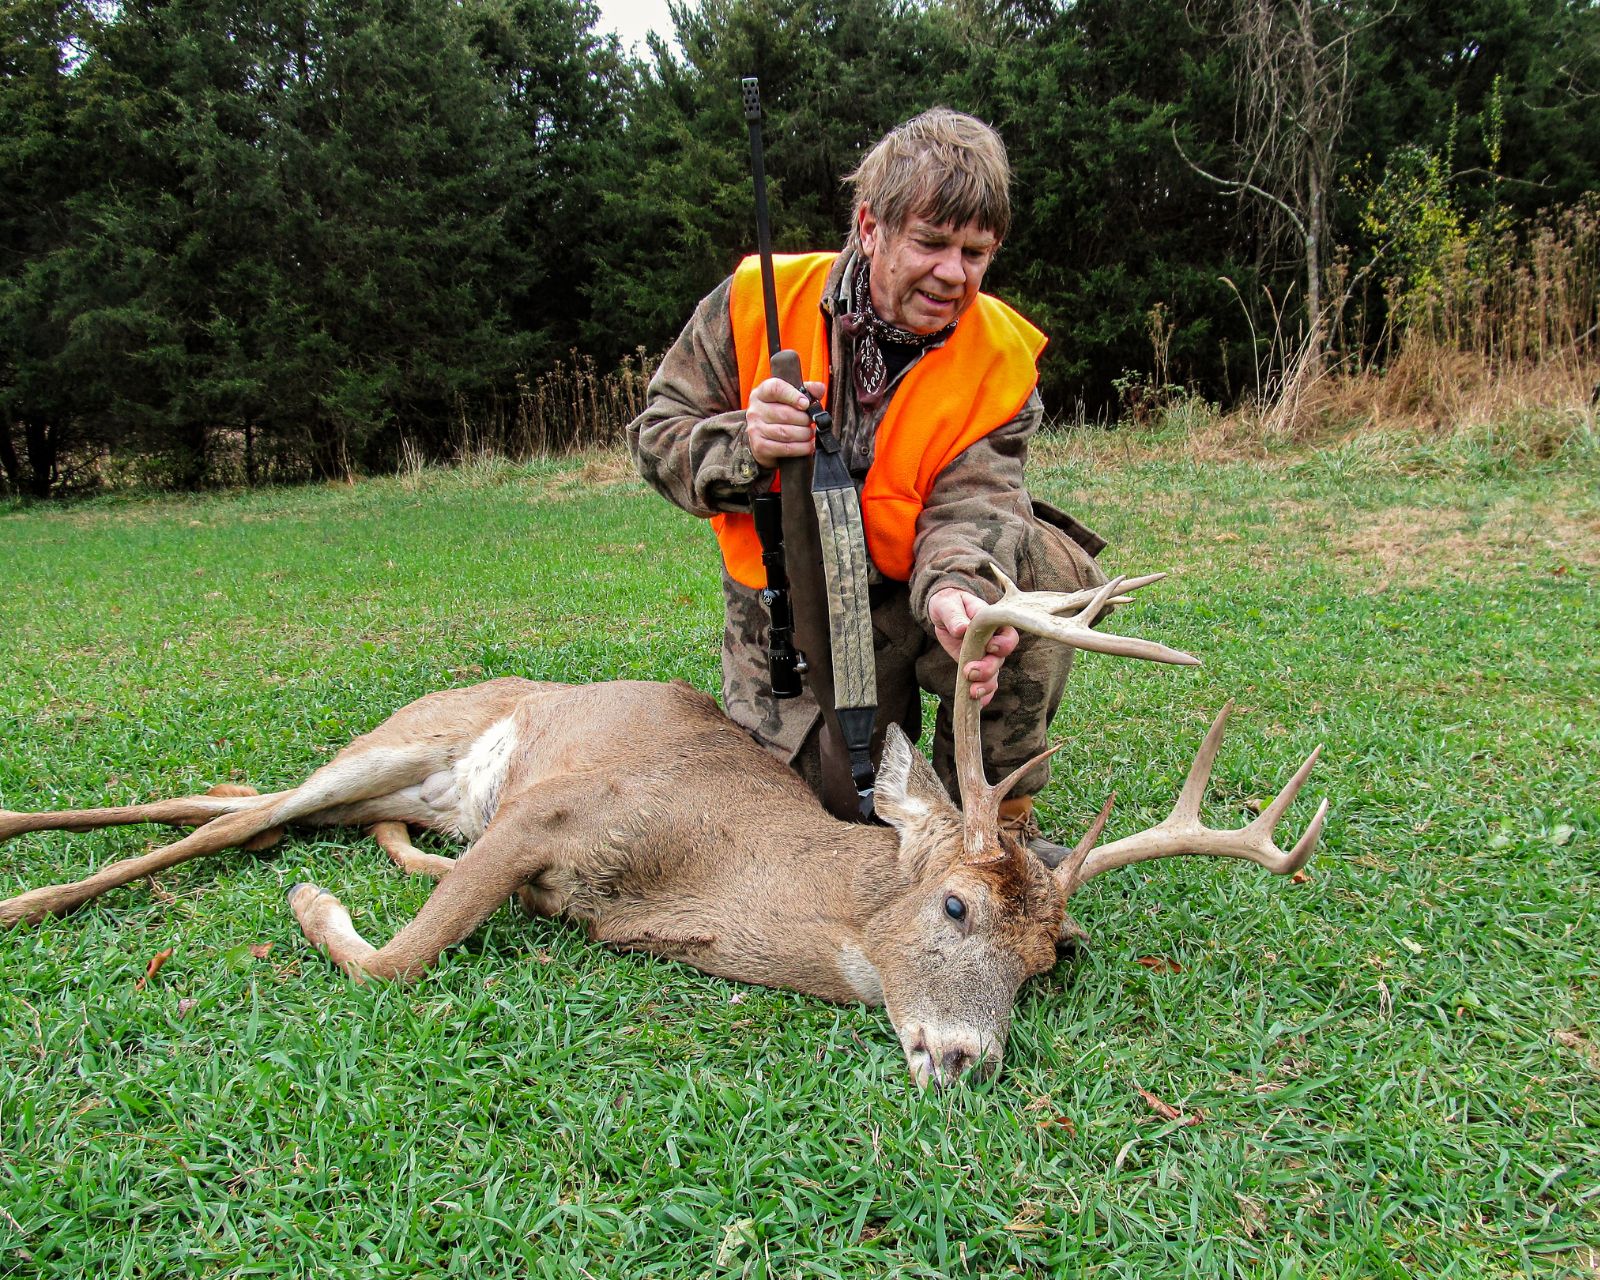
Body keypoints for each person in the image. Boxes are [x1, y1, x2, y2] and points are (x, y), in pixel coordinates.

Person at [626, 107, 1107, 841]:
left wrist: (958, 595)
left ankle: (996, 826)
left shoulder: (1000, 359)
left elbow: (977, 503)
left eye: (976, 252)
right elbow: (657, 436)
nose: (953, 274)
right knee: (833, 814)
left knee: (1026, 593)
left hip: (914, 586)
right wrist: (744, 443)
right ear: (870, 227)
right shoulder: (756, 302)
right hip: (798, 603)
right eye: (931, 242)